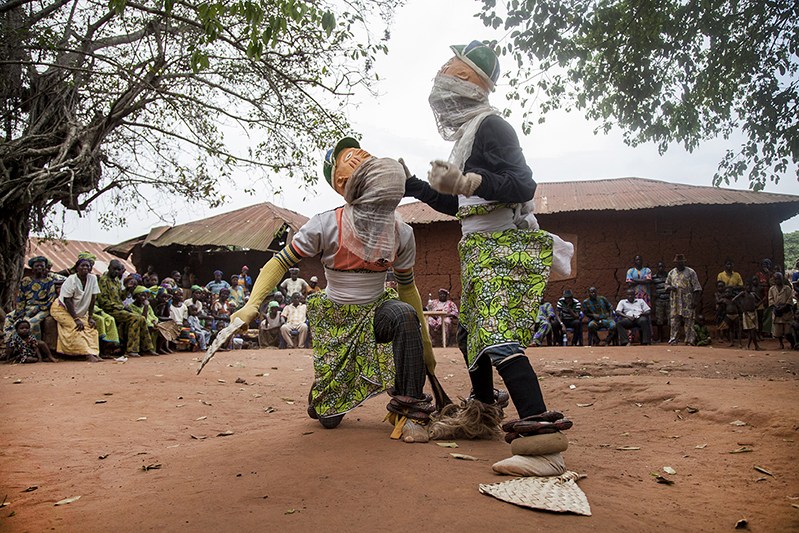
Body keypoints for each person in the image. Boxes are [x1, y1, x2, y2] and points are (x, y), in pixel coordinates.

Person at [402, 40, 575, 475]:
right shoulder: (468, 134)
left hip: (502, 249)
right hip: (478, 247)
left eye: (447, 66)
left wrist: (467, 180)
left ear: (463, 77)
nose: (439, 74)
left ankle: (545, 447)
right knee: (469, 335)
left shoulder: (493, 126)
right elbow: (460, 206)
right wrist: (416, 186)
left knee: (497, 336)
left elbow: (522, 186)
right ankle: (481, 414)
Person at [220, 136, 445, 444]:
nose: (364, 154)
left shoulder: (401, 231)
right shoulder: (325, 225)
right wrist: (252, 304)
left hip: (378, 311)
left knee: (404, 316)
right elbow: (280, 262)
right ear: (341, 181)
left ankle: (410, 411)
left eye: (366, 152)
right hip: (336, 318)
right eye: (351, 156)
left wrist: (425, 342)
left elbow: (407, 287)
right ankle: (326, 389)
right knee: (326, 418)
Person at [97, 260, 156, 358]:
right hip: (109, 309)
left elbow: (120, 297)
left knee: (141, 318)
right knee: (136, 318)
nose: (116, 272)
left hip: (118, 309)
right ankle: (131, 349)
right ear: (109, 268)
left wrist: (128, 289)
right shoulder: (103, 280)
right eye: (114, 269)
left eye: (118, 270)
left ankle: (146, 348)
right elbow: (103, 301)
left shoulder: (116, 281)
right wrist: (122, 307)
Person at [50, 254, 102, 362]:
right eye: (82, 266)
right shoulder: (71, 280)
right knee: (77, 327)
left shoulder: (92, 279)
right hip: (62, 309)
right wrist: (76, 319)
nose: (85, 268)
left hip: (80, 310)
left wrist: (91, 317)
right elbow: (68, 301)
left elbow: (93, 299)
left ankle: (93, 352)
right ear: (76, 268)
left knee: (91, 328)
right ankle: (86, 354)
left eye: (88, 266)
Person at [3, 256, 60, 344]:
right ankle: (11, 345)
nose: (40, 268)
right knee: (10, 318)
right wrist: (20, 311)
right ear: (32, 268)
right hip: (27, 307)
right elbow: (21, 297)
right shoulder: (26, 281)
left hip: (42, 308)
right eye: (37, 266)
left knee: (31, 323)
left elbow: (51, 299)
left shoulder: (48, 281)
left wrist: (39, 308)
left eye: (42, 266)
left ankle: (33, 347)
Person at [665, 253, 703, 346]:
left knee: (689, 321)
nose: (679, 264)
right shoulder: (672, 273)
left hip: (687, 300)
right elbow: (666, 285)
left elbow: (696, 287)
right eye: (677, 263)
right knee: (674, 321)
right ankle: (674, 340)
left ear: (684, 262)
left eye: (681, 262)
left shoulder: (691, 272)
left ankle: (690, 340)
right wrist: (671, 288)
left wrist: (695, 300)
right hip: (675, 302)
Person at [732, 278, 762, 350]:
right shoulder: (743, 294)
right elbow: (734, 300)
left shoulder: (753, 294)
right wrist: (741, 308)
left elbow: (760, 300)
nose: (748, 287)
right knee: (752, 330)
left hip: (754, 313)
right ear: (744, 287)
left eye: (750, 285)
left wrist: (757, 305)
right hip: (747, 314)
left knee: (752, 330)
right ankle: (756, 346)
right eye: (747, 286)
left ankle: (748, 346)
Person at [769, 272, 794, 350]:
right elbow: (770, 299)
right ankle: (781, 344)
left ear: (782, 279)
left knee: (788, 330)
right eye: (776, 279)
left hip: (786, 310)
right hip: (777, 311)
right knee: (778, 331)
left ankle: (792, 343)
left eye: (779, 278)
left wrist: (785, 306)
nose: (778, 280)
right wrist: (776, 306)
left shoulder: (787, 288)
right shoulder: (772, 289)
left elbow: (790, 298)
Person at [650, 261, 670, 343]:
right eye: (659, 267)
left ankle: (671, 337)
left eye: (662, 266)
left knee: (671, 319)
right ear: (657, 268)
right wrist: (654, 294)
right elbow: (648, 286)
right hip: (659, 301)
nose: (661, 268)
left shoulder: (669, 276)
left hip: (669, 300)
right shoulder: (654, 277)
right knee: (659, 320)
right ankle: (660, 338)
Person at [755, 259, 773, 337]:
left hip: (769, 296)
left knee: (769, 315)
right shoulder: (758, 274)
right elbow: (757, 283)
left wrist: (767, 274)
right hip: (761, 297)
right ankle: (760, 331)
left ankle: (767, 331)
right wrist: (766, 285)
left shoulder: (771, 275)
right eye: (764, 265)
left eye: (767, 265)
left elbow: (771, 283)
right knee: (761, 315)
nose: (765, 266)